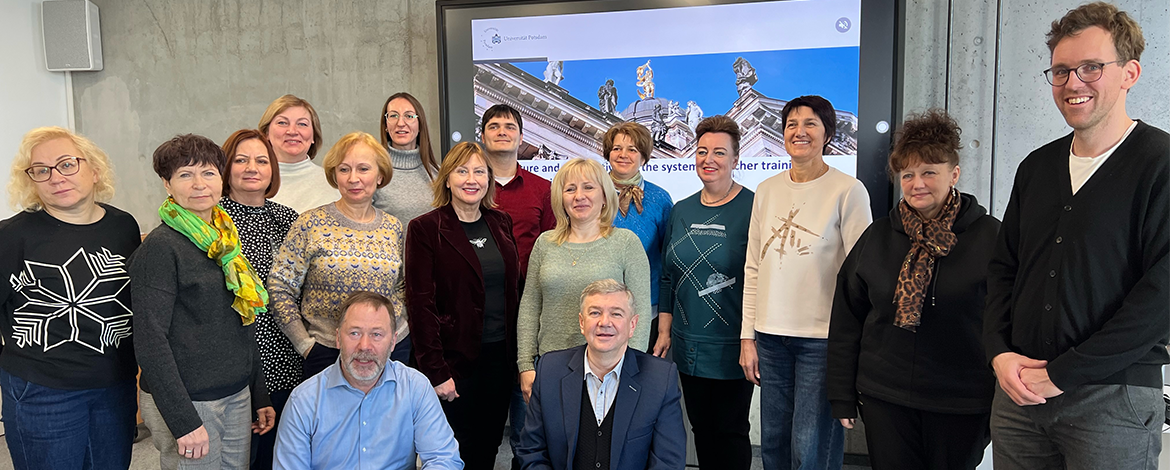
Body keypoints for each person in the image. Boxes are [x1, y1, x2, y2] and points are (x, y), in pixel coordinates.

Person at [984, 4, 1168, 469]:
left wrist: (1064, 374)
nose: (1072, 83)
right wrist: (1000, 353)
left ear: (1130, 73)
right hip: (1020, 394)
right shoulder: (1037, 167)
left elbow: (1161, 296)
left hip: (1113, 399)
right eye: (1061, 71)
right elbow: (1005, 269)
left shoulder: (1160, 164)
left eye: (1090, 67)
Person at [827, 110, 998, 470]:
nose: (917, 183)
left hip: (962, 402)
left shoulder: (992, 238)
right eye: (908, 175)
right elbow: (847, 318)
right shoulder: (877, 237)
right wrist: (841, 394)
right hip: (884, 396)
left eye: (929, 172)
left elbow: (1007, 320)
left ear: (954, 174)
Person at [741, 95, 872, 470]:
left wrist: (852, 344)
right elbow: (754, 266)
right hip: (769, 337)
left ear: (827, 134)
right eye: (791, 124)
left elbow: (860, 275)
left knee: (810, 446)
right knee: (774, 444)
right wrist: (747, 337)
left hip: (822, 339)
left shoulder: (848, 190)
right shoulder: (766, 190)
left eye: (810, 124)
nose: (799, 132)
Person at [132, 134, 275, 469]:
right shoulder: (161, 248)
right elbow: (150, 340)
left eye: (208, 173)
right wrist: (184, 422)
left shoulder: (225, 240)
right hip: (190, 402)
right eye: (185, 174)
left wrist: (258, 392)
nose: (199, 184)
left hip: (235, 392)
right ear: (167, 184)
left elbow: (242, 321)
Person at [0, 127, 140, 469]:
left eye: (67, 164)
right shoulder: (11, 236)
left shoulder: (124, 227)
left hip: (114, 386)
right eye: (41, 170)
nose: (55, 177)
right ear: (31, 180)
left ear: (94, 170)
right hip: (42, 392)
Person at [405, 142, 521, 468]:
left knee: (489, 446)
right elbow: (420, 303)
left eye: (479, 171)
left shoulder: (501, 223)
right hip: (454, 364)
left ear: (489, 179)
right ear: (447, 178)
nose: (471, 179)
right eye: (462, 170)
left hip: (500, 359)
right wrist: (436, 371)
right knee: (452, 453)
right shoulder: (425, 228)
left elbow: (513, 289)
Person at [657, 115, 756, 469]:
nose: (708, 159)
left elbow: (760, 278)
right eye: (701, 151)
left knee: (730, 431)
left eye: (719, 152)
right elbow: (668, 275)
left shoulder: (754, 208)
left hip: (733, 344)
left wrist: (752, 338)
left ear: (735, 159)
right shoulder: (681, 210)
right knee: (701, 429)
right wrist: (665, 329)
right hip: (687, 341)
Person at [268, 132, 409, 380]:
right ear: (335, 175)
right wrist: (304, 344)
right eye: (344, 169)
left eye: (363, 169)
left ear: (380, 175)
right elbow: (280, 286)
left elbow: (402, 287)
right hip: (326, 354)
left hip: (388, 353)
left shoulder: (393, 227)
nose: (353, 178)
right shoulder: (310, 223)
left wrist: (398, 331)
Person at [272, 291, 463, 470]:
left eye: (376, 334)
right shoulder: (303, 401)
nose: (364, 346)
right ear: (338, 338)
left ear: (393, 342)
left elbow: (444, 458)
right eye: (354, 333)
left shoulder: (415, 387)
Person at [517, 158, 652, 404]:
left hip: (609, 372)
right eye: (570, 189)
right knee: (553, 440)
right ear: (561, 198)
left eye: (588, 187)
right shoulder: (545, 244)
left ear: (604, 195)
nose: (579, 196)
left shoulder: (626, 243)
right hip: (552, 367)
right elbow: (530, 307)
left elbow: (639, 312)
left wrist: (631, 369)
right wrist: (526, 364)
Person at [517, 279, 685, 470]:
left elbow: (668, 463)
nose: (604, 322)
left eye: (616, 314)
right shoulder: (550, 370)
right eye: (595, 313)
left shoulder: (660, 378)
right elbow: (531, 451)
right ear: (582, 322)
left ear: (632, 325)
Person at [218, 129, 303, 470]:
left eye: (261, 160)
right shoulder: (212, 221)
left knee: (282, 455)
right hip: (237, 360)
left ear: (273, 170)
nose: (251, 167)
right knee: (244, 457)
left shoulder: (289, 219)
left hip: (287, 355)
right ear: (226, 168)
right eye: (240, 160)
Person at [479, 103, 556, 469]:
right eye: (493, 126)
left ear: (522, 137)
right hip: (484, 317)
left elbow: (554, 246)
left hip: (532, 317)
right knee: (485, 426)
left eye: (510, 126)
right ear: (483, 136)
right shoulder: (470, 186)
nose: (502, 131)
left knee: (529, 420)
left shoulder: (543, 190)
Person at [603, 122, 673, 350]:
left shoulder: (660, 199)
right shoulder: (590, 192)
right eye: (617, 148)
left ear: (644, 157)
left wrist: (664, 323)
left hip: (645, 312)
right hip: (596, 309)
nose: (623, 155)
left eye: (632, 149)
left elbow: (667, 262)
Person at [258, 94, 335, 213]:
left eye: (302, 124)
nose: (292, 131)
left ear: (314, 135)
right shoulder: (248, 180)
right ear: (266, 133)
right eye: (282, 123)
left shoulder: (334, 184)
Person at [373, 92, 438, 224]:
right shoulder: (372, 173)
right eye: (393, 116)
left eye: (409, 116)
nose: (401, 123)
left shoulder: (438, 174)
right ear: (385, 125)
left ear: (420, 124)